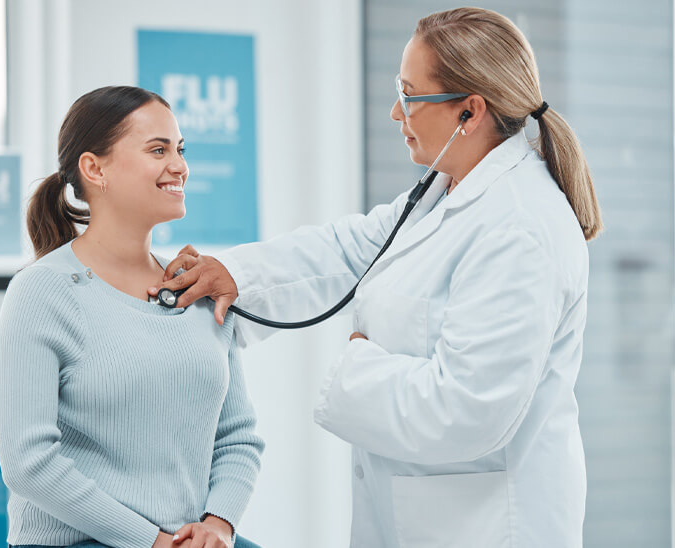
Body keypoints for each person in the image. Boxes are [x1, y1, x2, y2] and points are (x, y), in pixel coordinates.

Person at [150, 7, 603, 548]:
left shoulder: (520, 227)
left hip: (488, 527)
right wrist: (235, 273)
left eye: (410, 95)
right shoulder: (445, 193)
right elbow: (349, 250)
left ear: (470, 112)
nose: (395, 111)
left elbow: (470, 410)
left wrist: (358, 368)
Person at [0, 86, 264, 548]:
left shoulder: (196, 286)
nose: (178, 166)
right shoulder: (42, 292)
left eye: (180, 150)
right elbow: (29, 463)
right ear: (94, 168)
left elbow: (238, 437)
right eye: (158, 150)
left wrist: (219, 523)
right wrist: (151, 541)